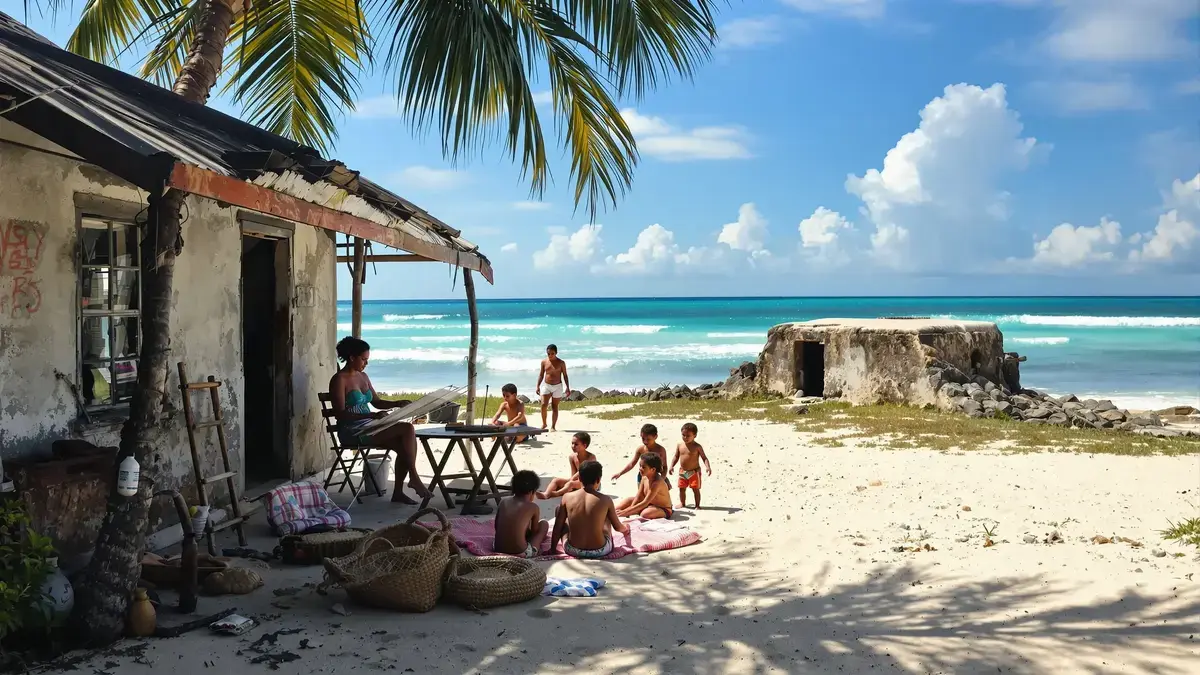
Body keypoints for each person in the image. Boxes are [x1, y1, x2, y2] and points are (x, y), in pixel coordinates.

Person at [328, 336, 431, 505]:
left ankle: (398, 492)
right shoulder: (339, 379)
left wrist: (397, 403)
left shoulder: (363, 376)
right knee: (406, 429)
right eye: (363, 359)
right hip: (352, 431)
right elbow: (340, 414)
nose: (366, 363)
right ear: (352, 357)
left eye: (367, 360)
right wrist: (370, 416)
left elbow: (376, 402)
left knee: (402, 445)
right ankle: (414, 477)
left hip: (370, 426)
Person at [550, 460, 629, 559]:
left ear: (579, 478)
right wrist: (626, 530)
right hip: (600, 550)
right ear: (598, 480)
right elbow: (617, 527)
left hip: (573, 549)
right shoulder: (605, 500)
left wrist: (552, 549)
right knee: (606, 517)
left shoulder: (567, 497)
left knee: (559, 512)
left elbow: (557, 527)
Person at [494, 470, 549, 558]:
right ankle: (534, 549)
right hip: (521, 552)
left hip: (497, 548)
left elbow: (496, 526)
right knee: (544, 524)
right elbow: (535, 532)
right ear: (532, 491)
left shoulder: (503, 501)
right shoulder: (533, 507)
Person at [537, 432, 595, 499]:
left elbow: (581, 472)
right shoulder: (572, 457)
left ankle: (557, 493)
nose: (573, 446)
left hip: (590, 483)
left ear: (584, 446)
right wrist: (570, 481)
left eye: (576, 444)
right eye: (572, 443)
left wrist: (570, 482)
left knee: (570, 484)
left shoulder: (591, 458)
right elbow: (573, 474)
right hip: (578, 482)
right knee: (556, 480)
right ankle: (546, 494)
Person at [615, 454, 673, 520]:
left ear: (653, 469)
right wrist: (629, 510)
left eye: (643, 467)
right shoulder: (644, 477)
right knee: (628, 500)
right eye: (640, 466)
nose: (640, 469)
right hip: (649, 505)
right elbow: (639, 496)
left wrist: (626, 512)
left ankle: (638, 511)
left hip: (663, 509)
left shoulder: (657, 483)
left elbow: (645, 502)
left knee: (645, 514)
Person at [669, 422, 711, 509]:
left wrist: (708, 467)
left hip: (694, 472)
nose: (685, 437)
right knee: (681, 488)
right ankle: (682, 503)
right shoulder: (680, 445)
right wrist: (671, 466)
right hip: (682, 471)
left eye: (688, 436)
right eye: (683, 435)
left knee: (695, 489)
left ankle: (697, 505)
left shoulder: (697, 447)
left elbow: (704, 458)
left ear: (694, 435)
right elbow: (676, 456)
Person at [536, 344, 570, 431]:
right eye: (548, 354)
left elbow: (565, 376)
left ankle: (553, 427)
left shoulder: (561, 363)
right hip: (546, 386)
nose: (550, 355)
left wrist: (568, 387)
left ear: (556, 353)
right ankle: (544, 424)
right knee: (543, 405)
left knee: (555, 407)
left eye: (552, 353)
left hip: (558, 387)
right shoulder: (544, 362)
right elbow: (541, 374)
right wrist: (538, 386)